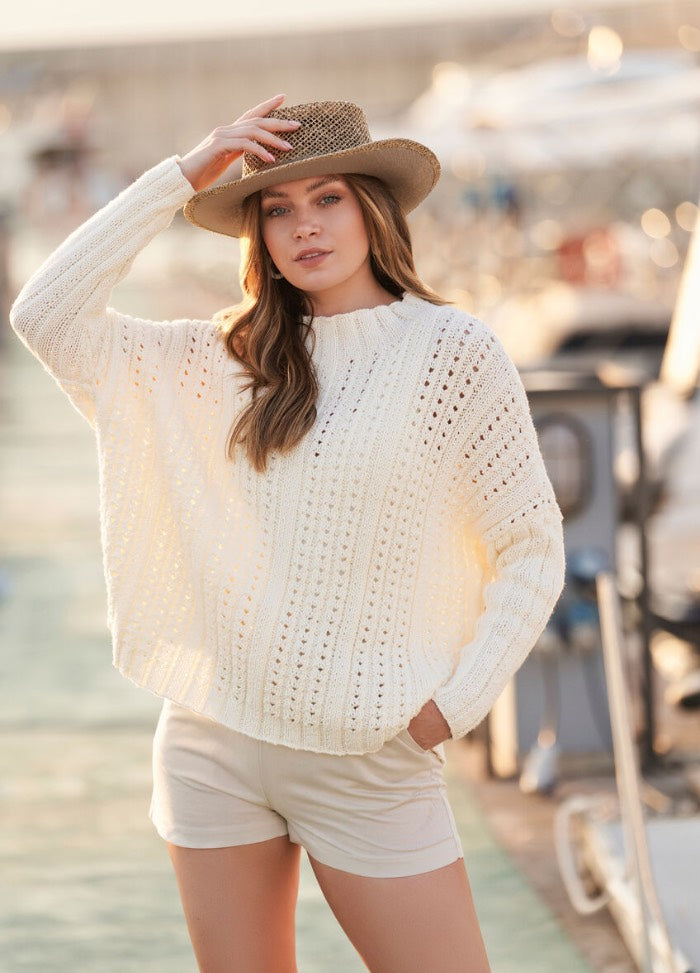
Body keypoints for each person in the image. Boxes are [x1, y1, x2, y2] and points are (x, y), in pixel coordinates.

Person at [10, 94, 566, 973]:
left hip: (368, 752)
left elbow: (532, 550)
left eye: (328, 198)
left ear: (373, 208)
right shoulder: (218, 358)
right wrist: (184, 173)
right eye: (277, 208)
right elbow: (45, 315)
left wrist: (449, 708)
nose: (304, 226)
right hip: (212, 747)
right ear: (256, 233)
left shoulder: (452, 352)